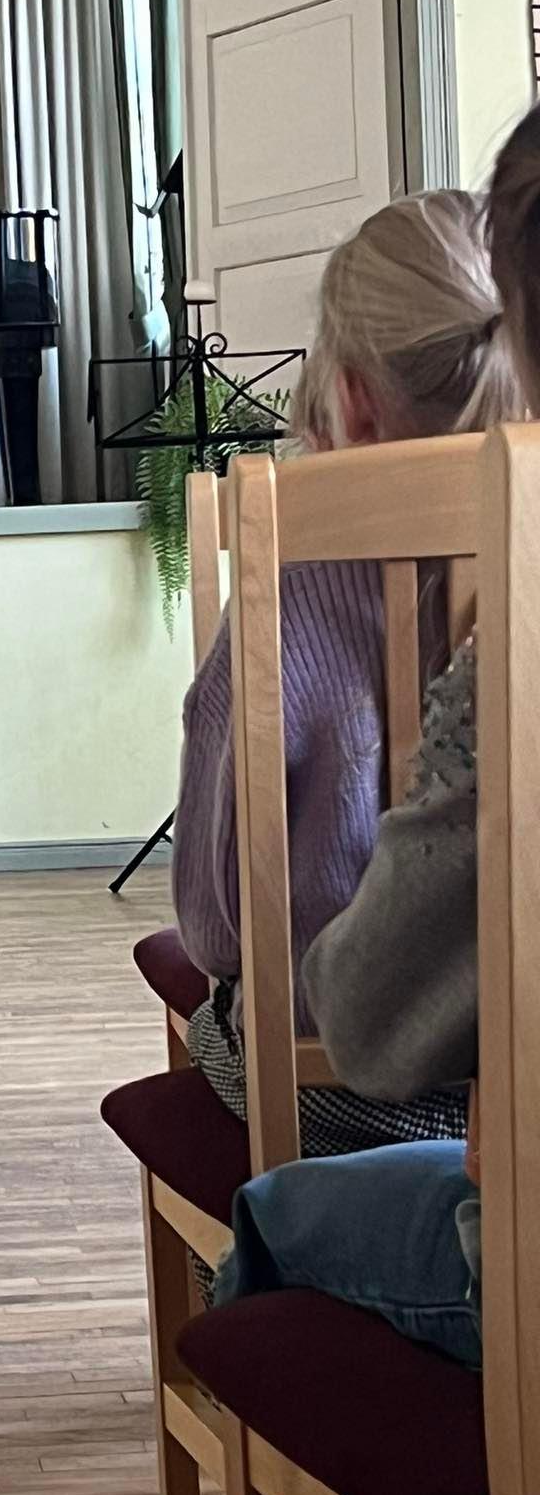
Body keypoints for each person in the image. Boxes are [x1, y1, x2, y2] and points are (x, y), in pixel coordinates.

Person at [172, 191, 525, 1155]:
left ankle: (270, 1244)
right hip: (526, 1086)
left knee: (213, 1015)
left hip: (347, 1092)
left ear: (355, 395)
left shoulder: (289, 586)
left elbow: (216, 928)